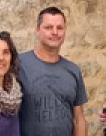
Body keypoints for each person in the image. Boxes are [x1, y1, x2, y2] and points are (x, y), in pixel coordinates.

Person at [18, 7, 88, 136]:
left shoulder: (73, 70)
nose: (55, 32)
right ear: (37, 30)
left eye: (59, 28)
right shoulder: (19, 65)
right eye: (48, 27)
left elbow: (78, 118)